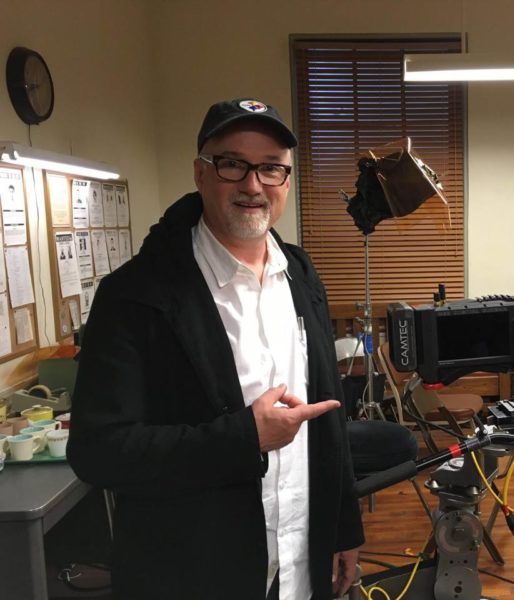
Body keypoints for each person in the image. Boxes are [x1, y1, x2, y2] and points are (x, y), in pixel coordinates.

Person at [68, 98, 364, 600]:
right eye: (233, 164)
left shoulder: (300, 273)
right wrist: (244, 439)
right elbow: (98, 452)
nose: (253, 185)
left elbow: (327, 418)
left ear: (286, 181)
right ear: (200, 173)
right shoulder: (136, 294)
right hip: (195, 573)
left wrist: (343, 527)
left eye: (271, 168)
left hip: (300, 563)